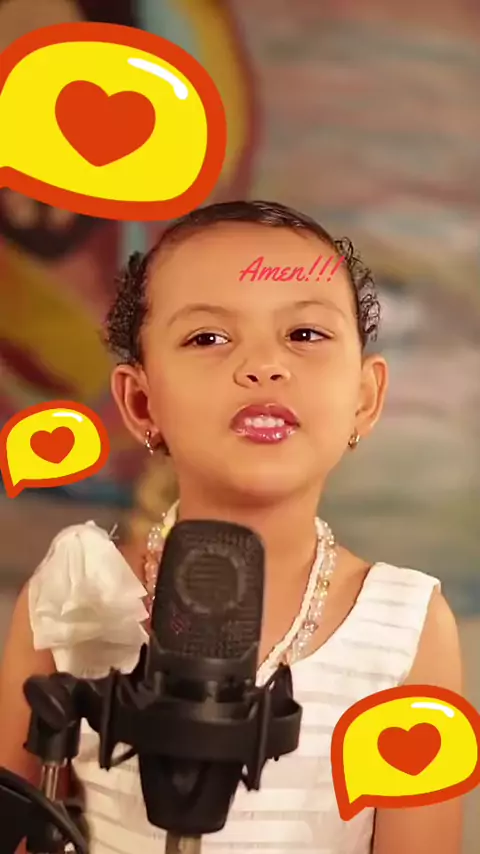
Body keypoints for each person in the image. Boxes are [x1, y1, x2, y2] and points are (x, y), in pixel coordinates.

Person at [0, 200, 463, 853]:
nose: (264, 366)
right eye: (209, 339)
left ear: (365, 397)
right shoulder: (72, 600)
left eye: (305, 334)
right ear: (141, 402)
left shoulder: (407, 626)